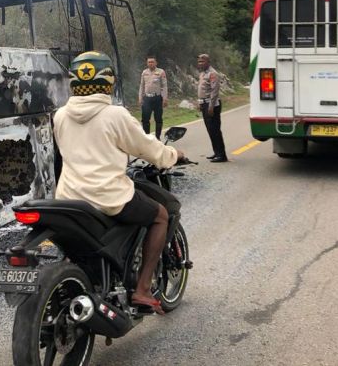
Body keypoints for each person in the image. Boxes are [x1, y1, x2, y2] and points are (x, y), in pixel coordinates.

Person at [53, 51, 185, 314]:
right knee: (159, 215)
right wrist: (173, 155)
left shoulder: (60, 115)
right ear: (108, 81)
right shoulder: (115, 115)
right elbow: (148, 148)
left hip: (69, 198)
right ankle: (143, 289)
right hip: (108, 196)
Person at [197, 53, 227, 162]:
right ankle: (216, 152)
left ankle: (222, 155)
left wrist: (211, 107)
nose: (200, 63)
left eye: (202, 61)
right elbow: (203, 90)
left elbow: (214, 91)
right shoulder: (202, 74)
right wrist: (200, 103)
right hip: (205, 104)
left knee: (215, 130)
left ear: (208, 62)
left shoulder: (212, 73)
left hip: (212, 105)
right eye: (199, 61)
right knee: (210, 130)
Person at [138, 56, 168, 139]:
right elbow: (142, 85)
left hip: (157, 98)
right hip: (147, 99)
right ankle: (147, 138)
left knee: (158, 119)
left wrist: (165, 98)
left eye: (152, 62)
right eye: (149, 62)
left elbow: (164, 85)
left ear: (156, 63)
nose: (150, 63)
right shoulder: (144, 72)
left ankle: (157, 137)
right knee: (145, 119)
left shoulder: (161, 72)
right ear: (147, 63)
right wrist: (140, 97)